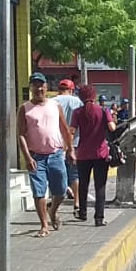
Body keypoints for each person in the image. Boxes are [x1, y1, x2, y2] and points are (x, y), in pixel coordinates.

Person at [18, 72, 74, 238]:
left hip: (56, 154)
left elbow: (64, 128)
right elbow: (21, 134)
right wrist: (27, 157)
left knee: (61, 190)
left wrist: (71, 149)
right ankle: (44, 225)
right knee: (39, 192)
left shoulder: (55, 105)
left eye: (41, 85)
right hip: (36, 157)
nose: (39, 88)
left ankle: (53, 210)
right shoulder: (25, 108)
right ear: (31, 88)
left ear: (46, 87)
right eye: (35, 85)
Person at [70, 85, 117, 226]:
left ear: (81, 97)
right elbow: (112, 128)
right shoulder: (103, 111)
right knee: (100, 187)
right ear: (94, 96)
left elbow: (71, 131)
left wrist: (69, 149)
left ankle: (83, 213)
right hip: (101, 154)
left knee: (84, 184)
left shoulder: (77, 112)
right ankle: (99, 218)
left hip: (83, 154)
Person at [53, 79, 84, 210]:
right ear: (71, 90)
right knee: (74, 174)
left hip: (55, 143)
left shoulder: (52, 101)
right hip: (74, 143)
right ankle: (77, 201)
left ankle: (57, 201)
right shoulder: (77, 102)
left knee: (57, 173)